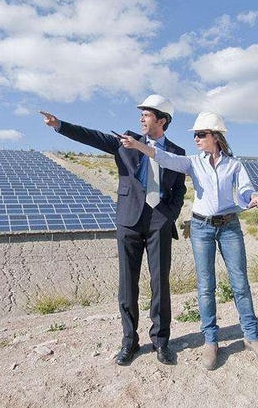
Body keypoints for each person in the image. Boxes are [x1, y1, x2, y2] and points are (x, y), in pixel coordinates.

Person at [120, 111, 258, 371]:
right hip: (202, 228)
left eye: (201, 134)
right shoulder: (193, 162)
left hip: (229, 227)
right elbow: (165, 157)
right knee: (206, 286)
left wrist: (254, 196)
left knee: (240, 283)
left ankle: (251, 337)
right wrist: (139, 145)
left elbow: (246, 188)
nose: (196, 139)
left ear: (216, 137)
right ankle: (211, 341)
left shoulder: (234, 165)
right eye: (195, 135)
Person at [40, 94, 187, 366]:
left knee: (160, 283)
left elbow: (179, 188)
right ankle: (129, 342)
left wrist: (170, 215)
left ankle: (161, 342)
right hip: (129, 219)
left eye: (147, 114)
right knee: (127, 285)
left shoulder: (177, 152)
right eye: (141, 114)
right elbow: (92, 136)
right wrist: (60, 124)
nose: (141, 118)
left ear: (162, 120)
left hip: (159, 221)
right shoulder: (126, 141)